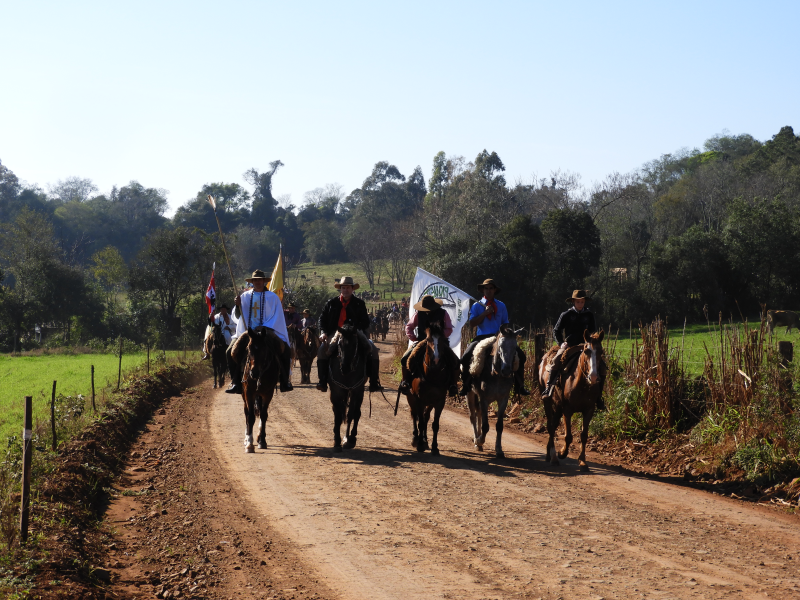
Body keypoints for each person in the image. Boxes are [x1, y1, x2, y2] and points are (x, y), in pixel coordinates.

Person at [225, 269, 294, 394]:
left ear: (264, 281)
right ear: (252, 282)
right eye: (255, 280)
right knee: (230, 351)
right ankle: (235, 382)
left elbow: (277, 316)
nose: (258, 282)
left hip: (267, 331)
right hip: (248, 331)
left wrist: (265, 327)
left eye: (260, 280)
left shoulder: (273, 297)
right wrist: (237, 305)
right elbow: (237, 315)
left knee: (286, 350)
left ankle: (285, 381)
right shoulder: (244, 296)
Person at [459, 279, 529, 396]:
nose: (489, 290)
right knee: (466, 357)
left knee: (520, 356)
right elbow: (472, 324)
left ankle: (519, 386)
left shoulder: (501, 305)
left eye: (491, 288)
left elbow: (505, 323)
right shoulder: (477, 306)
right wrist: (484, 314)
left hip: (499, 336)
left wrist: (504, 334)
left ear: (495, 290)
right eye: (486, 288)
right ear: (483, 290)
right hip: (482, 337)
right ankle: (466, 385)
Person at [315, 275, 383, 393]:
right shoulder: (331, 303)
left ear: (352, 289)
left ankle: (374, 382)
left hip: (354, 332)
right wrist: (323, 332)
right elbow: (322, 319)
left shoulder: (359, 303)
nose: (345, 290)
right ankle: (323, 381)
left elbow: (365, 321)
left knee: (373, 349)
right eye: (343, 288)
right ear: (340, 289)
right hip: (335, 332)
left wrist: (356, 329)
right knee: (322, 350)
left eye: (348, 288)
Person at [542, 289, 603, 409]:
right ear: (573, 302)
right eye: (578, 302)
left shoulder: (589, 315)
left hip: (586, 345)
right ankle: (549, 388)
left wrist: (593, 341)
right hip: (570, 345)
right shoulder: (566, 315)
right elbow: (556, 330)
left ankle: (599, 396)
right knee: (556, 360)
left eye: (582, 301)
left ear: (584, 302)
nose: (580, 304)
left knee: (602, 367)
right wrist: (561, 343)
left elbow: (593, 330)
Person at [399, 295, 459, 397]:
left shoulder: (443, 313)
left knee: (455, 360)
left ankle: (453, 385)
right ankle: (406, 382)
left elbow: (449, 328)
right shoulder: (418, 314)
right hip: (423, 340)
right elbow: (409, 327)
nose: (427, 311)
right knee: (405, 358)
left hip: (440, 342)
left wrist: (438, 338)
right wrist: (414, 338)